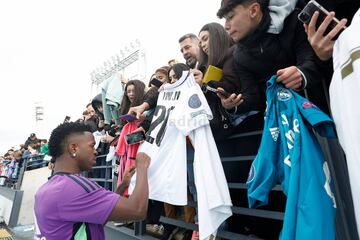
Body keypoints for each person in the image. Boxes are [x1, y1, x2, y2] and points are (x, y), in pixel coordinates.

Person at [34, 122, 150, 240]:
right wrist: (142, 167)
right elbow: (138, 210)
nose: (96, 151)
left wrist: (124, 184)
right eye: (92, 146)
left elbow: (99, 213)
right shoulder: (75, 187)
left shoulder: (45, 189)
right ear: (73, 148)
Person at [216, 0, 323, 115]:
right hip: (280, 119)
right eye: (225, 19)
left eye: (230, 17)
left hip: (319, 109)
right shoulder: (238, 56)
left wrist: (302, 73)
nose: (226, 26)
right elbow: (253, 97)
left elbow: (314, 60)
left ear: (254, 10)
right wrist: (233, 105)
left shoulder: (293, 21)